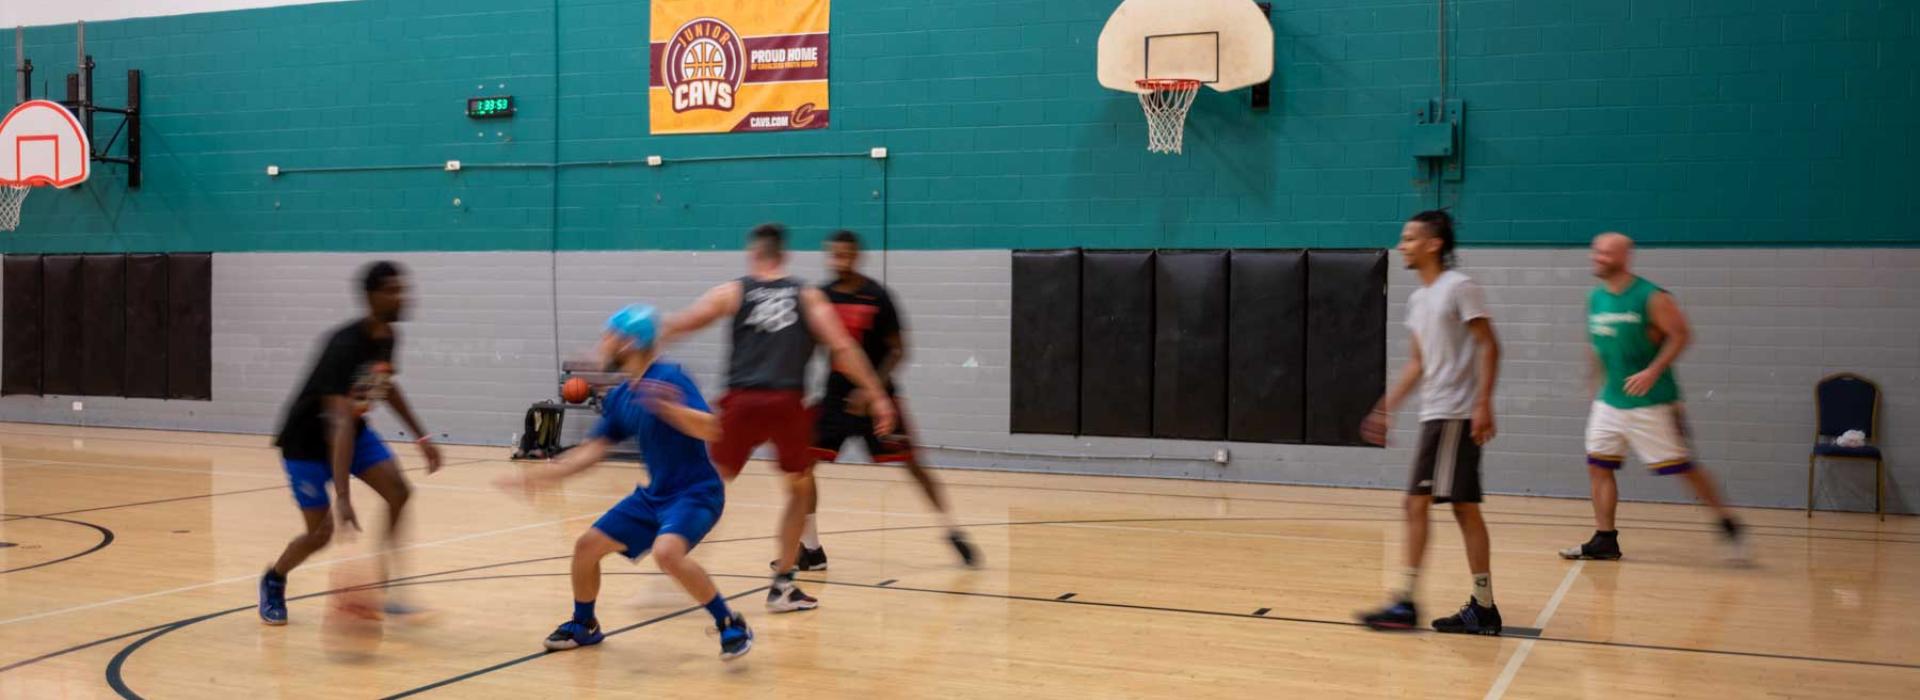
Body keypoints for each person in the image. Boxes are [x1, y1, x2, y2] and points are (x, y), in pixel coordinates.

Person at [656, 223, 896, 612]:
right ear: (783, 257)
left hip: (742, 401)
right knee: (799, 489)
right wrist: (877, 394)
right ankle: (782, 585)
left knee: (709, 482)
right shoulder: (807, 294)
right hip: (786, 402)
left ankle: (671, 548)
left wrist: (640, 347)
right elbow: (842, 346)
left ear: (754, 256)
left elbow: (683, 323)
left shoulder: (734, 291)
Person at [498, 304, 752, 660]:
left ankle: (730, 623)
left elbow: (712, 428)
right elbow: (593, 451)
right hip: (654, 496)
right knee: (587, 547)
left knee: (667, 553)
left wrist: (671, 409)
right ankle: (584, 625)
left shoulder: (670, 377)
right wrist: (547, 474)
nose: (602, 344)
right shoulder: (621, 396)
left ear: (628, 343)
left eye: (608, 337)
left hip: (696, 494)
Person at [259, 261, 443, 626]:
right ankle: (275, 578)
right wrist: (342, 497)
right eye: (393, 290)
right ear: (372, 297)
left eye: (402, 288)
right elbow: (338, 423)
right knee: (321, 534)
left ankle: (381, 587)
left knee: (399, 492)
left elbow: (384, 386)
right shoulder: (343, 345)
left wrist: (421, 436)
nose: (402, 296)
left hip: (353, 434)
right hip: (307, 444)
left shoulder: (388, 336)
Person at [784, 230, 976, 572]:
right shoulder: (821, 297)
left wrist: (872, 390)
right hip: (835, 399)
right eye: (834, 254)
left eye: (845, 254)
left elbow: (899, 349)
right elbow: (812, 344)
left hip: (878, 399)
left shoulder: (878, 296)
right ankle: (811, 549)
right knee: (801, 466)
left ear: (856, 256)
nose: (839, 260)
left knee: (914, 465)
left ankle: (952, 529)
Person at [1357, 210, 1505, 635]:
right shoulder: (1419, 299)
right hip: (1435, 414)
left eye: (1409, 238)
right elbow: (1418, 363)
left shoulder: (1459, 288)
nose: (1402, 245)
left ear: (1434, 243)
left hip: (1454, 414)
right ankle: (1483, 606)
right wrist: (1386, 408)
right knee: (1463, 509)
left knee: (1418, 504)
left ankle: (1406, 603)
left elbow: (1490, 346)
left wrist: (1483, 403)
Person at [1560, 233, 1748, 563]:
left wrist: (1653, 370)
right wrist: (1594, 383)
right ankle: (1605, 539)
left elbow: (1681, 335)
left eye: (1605, 253)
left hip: (1651, 401)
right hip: (1610, 401)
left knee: (1682, 467)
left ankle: (1727, 521)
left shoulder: (1651, 296)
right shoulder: (1596, 298)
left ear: (1623, 257)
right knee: (1598, 466)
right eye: (1596, 252)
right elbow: (1596, 344)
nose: (1597, 257)